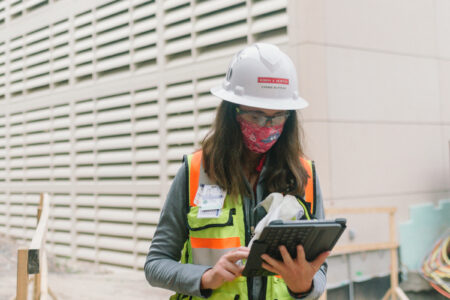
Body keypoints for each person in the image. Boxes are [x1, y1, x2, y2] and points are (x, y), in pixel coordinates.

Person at [145, 43, 329, 299]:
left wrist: (304, 287)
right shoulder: (196, 171)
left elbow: (319, 271)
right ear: (232, 112)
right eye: (256, 116)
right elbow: (155, 265)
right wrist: (207, 277)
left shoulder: (303, 174)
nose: (267, 127)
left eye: (278, 117)